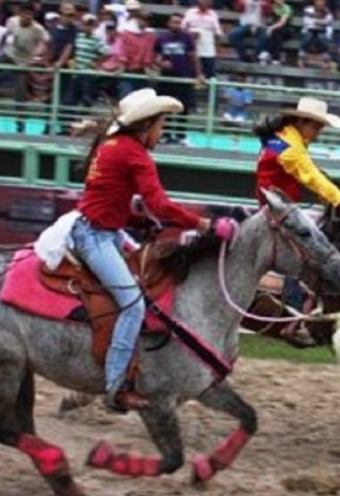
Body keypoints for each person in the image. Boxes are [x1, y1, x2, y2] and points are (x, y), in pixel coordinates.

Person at [46, 89, 237, 412]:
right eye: (161, 125)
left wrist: (137, 219)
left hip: (97, 229)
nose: (162, 134)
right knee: (133, 305)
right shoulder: (134, 154)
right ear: (146, 125)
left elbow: (105, 197)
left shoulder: (110, 146)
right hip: (96, 237)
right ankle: (116, 385)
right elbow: (159, 203)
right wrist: (204, 225)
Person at [253, 97, 340, 345]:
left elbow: (304, 172)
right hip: (279, 210)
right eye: (316, 128)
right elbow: (310, 175)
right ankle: (295, 320)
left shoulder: (278, 139)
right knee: (313, 254)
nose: (318, 134)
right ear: (302, 122)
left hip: (276, 205)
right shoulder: (290, 146)